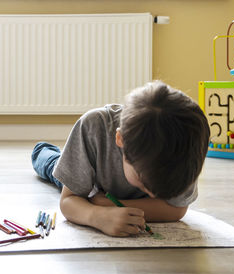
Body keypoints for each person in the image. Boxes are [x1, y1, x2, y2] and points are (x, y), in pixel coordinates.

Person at [31, 81, 210, 237]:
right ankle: (43, 151)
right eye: (144, 182)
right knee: (56, 169)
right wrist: (97, 216)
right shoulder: (93, 127)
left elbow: (177, 210)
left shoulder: (186, 145)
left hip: (102, 194)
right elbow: (68, 201)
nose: (155, 195)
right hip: (90, 178)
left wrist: (108, 204)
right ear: (120, 140)